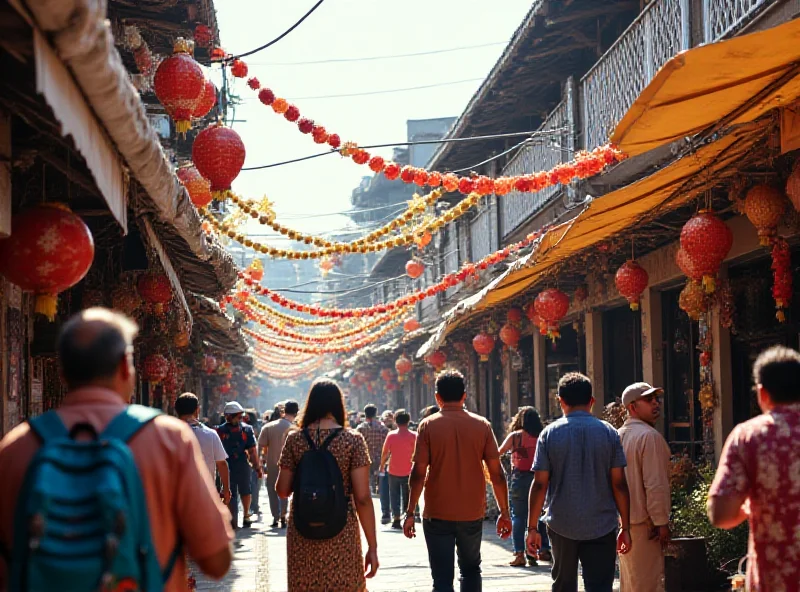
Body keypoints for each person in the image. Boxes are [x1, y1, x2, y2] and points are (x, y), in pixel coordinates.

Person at [0, 308, 233, 589]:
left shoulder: (16, 448)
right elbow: (216, 561)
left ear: (62, 373)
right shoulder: (168, 440)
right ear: (125, 366)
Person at [403, 369, 511, 592]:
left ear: (437, 397)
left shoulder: (428, 426)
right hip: (471, 511)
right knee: (471, 569)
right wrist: (505, 511)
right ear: (464, 396)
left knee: (441, 578)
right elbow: (497, 474)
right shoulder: (482, 425)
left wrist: (410, 512)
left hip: (437, 511)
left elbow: (418, 474)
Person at [526, 372, 631, 592]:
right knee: (601, 586)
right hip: (602, 523)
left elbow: (539, 484)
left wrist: (532, 527)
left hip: (562, 522)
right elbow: (619, 484)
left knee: (563, 585)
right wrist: (626, 527)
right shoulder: (609, 433)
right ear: (591, 401)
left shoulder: (549, 434)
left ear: (561, 401)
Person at [708, 346, 800, 592]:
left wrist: (755, 504)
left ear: (762, 393)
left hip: (775, 580)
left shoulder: (749, 437)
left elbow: (721, 514)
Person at [276, 379, 378, 591]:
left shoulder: (295, 439)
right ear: (338, 404)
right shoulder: (353, 439)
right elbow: (362, 498)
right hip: (342, 529)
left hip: (303, 529)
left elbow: (282, 490)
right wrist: (372, 546)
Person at [617, 383, 671, 592]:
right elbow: (655, 484)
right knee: (648, 585)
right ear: (632, 407)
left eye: (656, 399)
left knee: (631, 585)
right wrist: (661, 522)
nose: (656, 403)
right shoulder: (649, 437)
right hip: (645, 527)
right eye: (649, 400)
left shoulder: (618, 435)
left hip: (623, 526)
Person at [498, 406, 549, 567]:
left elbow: (497, 453)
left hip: (519, 479)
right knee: (540, 515)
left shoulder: (515, 437)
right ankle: (542, 550)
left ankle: (520, 553)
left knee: (518, 516)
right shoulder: (543, 436)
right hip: (540, 478)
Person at [176, 392, 232, 506]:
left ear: (177, 410)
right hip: (205, 494)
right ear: (197, 410)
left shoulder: (167, 435)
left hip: (176, 495)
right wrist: (226, 489)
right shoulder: (210, 434)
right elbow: (222, 464)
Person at [217, 401, 263, 529]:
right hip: (226, 465)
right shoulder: (219, 431)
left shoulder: (246, 430)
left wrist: (257, 467)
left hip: (243, 463)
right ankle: (231, 518)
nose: (240, 419)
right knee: (228, 491)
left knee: (246, 490)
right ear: (228, 417)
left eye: (241, 416)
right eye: (238, 416)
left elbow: (252, 450)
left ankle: (246, 515)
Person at [259, 399, 298, 528]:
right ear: (296, 413)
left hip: (272, 465)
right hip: (290, 465)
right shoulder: (295, 429)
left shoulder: (268, 427)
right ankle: (283, 515)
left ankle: (275, 516)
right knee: (286, 491)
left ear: (283, 411)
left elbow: (261, 447)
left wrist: (260, 463)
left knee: (272, 490)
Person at [379, 408, 417, 529]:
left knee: (394, 495)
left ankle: (396, 519)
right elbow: (418, 453)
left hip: (393, 470)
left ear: (395, 420)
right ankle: (407, 516)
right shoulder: (414, 436)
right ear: (408, 421)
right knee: (407, 495)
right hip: (409, 471)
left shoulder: (391, 435)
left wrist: (382, 466)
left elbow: (385, 453)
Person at [356, 403, 391, 524]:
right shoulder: (383, 429)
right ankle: (385, 511)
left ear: (365, 414)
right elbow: (388, 446)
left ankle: (367, 510)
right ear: (376, 414)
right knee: (382, 485)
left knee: (366, 485)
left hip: (365, 459)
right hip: (380, 459)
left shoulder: (360, 429)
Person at [244, 409, 263, 517]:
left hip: (249, 458)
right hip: (253, 458)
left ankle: (252, 506)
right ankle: (253, 506)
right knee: (254, 484)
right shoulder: (249, 428)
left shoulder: (247, 428)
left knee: (252, 484)